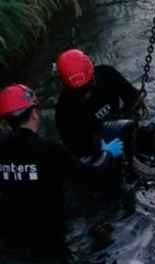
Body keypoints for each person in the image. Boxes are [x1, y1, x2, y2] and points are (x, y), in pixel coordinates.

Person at [0, 84, 123, 261]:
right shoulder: (49, 150)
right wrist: (108, 154)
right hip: (49, 239)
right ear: (34, 112)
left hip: (11, 236)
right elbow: (91, 175)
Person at [55, 49, 139, 162]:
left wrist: (126, 119)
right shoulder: (64, 109)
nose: (85, 94)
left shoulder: (106, 74)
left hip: (121, 127)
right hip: (97, 148)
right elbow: (75, 146)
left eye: (87, 88)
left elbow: (133, 98)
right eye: (80, 92)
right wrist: (101, 150)